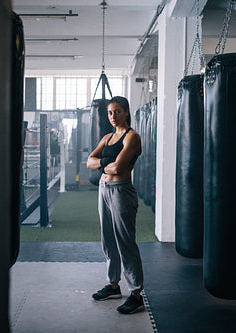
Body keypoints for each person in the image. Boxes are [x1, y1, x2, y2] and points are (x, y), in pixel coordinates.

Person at [86, 96, 145, 314]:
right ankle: (113, 285)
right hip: (103, 191)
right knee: (108, 241)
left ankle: (136, 294)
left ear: (127, 112)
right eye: (110, 112)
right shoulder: (107, 137)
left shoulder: (133, 137)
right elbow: (89, 161)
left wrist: (101, 165)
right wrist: (104, 164)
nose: (113, 116)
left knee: (125, 242)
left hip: (121, 191)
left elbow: (119, 168)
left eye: (118, 111)